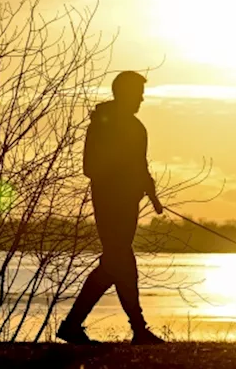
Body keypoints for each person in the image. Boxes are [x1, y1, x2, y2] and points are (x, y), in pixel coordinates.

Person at [57, 70, 166, 344]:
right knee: (122, 262)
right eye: (138, 94)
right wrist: (124, 179)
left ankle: (73, 326)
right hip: (108, 204)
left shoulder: (137, 128)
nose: (141, 99)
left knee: (113, 266)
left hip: (128, 205)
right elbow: (90, 167)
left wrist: (151, 193)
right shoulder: (102, 124)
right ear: (124, 93)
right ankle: (138, 329)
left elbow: (141, 166)